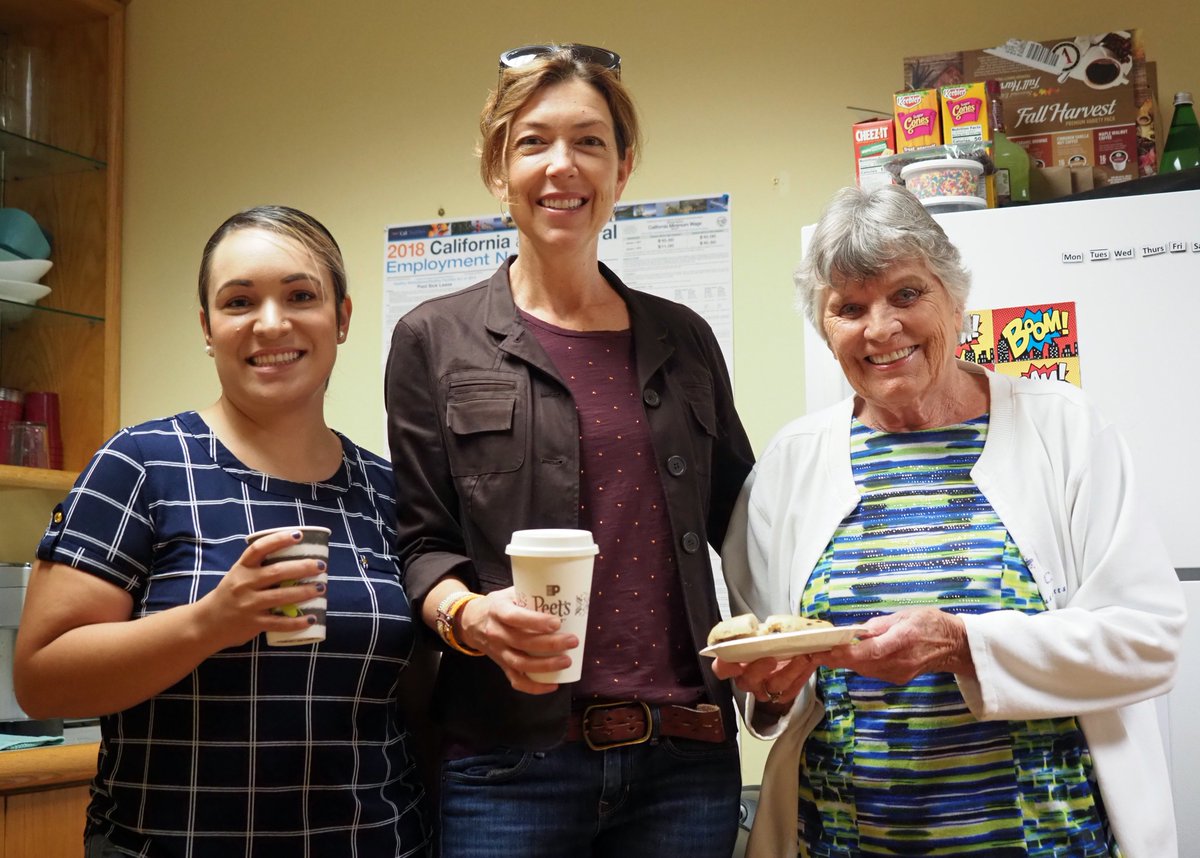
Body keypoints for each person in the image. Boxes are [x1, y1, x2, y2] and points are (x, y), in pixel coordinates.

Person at [716, 184, 1186, 857]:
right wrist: (767, 691)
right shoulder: (791, 465)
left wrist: (965, 644)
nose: (881, 328)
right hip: (846, 841)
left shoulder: (1063, 429)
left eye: (907, 294)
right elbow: (768, 682)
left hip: (1045, 841)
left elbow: (1151, 641)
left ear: (955, 299)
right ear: (825, 329)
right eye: (850, 308)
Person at [385, 43, 755, 857]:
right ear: (496, 167)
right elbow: (420, 543)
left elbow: (747, 519)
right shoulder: (433, 340)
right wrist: (471, 617)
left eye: (589, 141)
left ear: (623, 169)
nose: (564, 166)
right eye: (533, 141)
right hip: (508, 764)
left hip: (684, 758)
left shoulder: (683, 339)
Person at [14, 206, 433, 857]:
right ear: (208, 328)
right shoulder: (143, 463)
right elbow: (43, 680)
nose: (271, 323)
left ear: (342, 318)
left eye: (301, 296)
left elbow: (409, 700)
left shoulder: (388, 491)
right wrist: (212, 621)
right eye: (239, 302)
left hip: (374, 841)